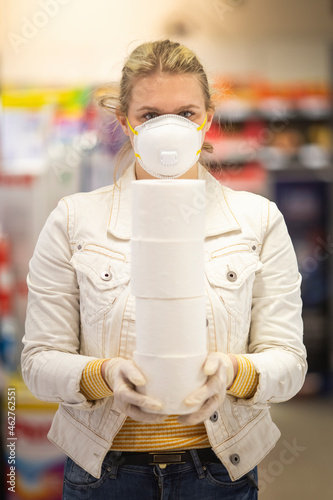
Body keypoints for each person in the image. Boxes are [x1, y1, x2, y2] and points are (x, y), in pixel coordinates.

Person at [21, 40, 307, 500]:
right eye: (151, 116)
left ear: (207, 119)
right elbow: (37, 363)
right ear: (125, 123)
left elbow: (290, 362)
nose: (168, 131)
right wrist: (105, 376)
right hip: (104, 475)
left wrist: (234, 372)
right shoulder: (74, 220)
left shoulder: (256, 220)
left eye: (186, 114)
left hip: (216, 473)